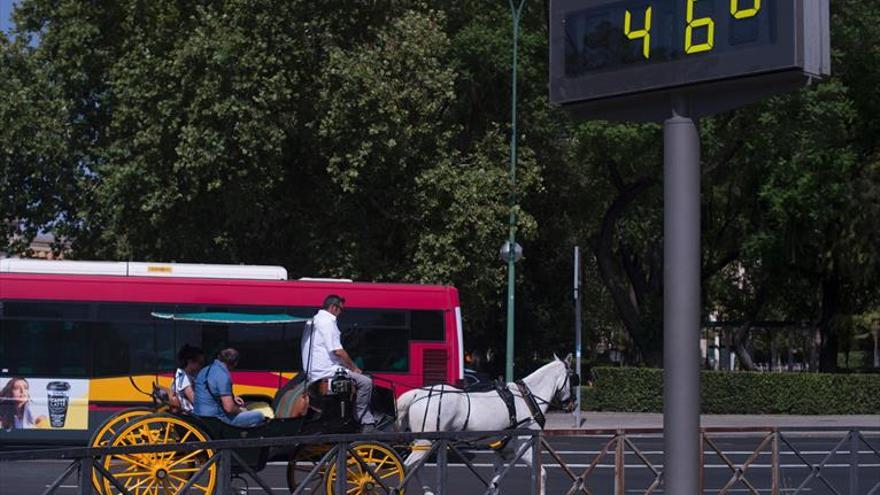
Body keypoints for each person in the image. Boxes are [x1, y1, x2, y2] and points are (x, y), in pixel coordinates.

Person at [302, 295, 376, 432]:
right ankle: (365, 421)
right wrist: (354, 368)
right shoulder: (328, 322)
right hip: (327, 372)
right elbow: (337, 351)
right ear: (333, 308)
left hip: (315, 372)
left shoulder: (313, 320)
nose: (341, 313)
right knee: (366, 382)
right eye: (341, 310)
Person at [193, 348, 265, 427]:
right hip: (216, 419)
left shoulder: (204, 370)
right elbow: (229, 408)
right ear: (235, 363)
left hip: (199, 415)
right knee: (259, 415)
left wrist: (233, 398)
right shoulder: (223, 375)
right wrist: (241, 410)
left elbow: (211, 391)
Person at [172, 344, 205, 412]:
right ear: (190, 362)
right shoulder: (183, 377)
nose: (201, 367)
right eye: (200, 363)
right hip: (189, 412)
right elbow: (194, 400)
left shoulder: (187, 375)